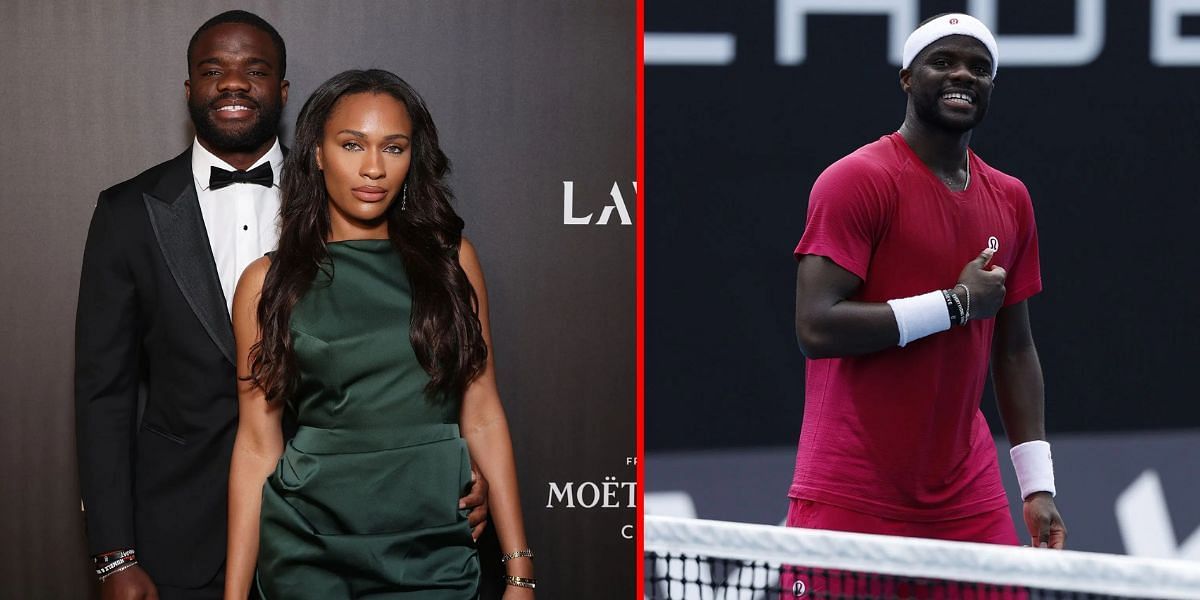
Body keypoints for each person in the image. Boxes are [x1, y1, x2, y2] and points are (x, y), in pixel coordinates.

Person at [74, 12, 487, 600]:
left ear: (284, 92)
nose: (234, 83)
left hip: (334, 530)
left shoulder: (348, 190)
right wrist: (114, 557)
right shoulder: (127, 213)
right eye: (213, 71)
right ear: (189, 89)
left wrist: (456, 472)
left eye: (256, 70)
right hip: (177, 535)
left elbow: (423, 365)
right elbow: (103, 394)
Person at [223, 69, 535, 599]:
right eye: (352, 145)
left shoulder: (452, 262)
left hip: (432, 546)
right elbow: (257, 445)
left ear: (414, 157)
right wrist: (233, 597)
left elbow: (481, 410)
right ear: (317, 154)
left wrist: (519, 570)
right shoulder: (265, 283)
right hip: (309, 549)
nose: (373, 169)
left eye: (393, 148)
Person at [789, 13, 1067, 554]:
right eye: (943, 62)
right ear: (907, 78)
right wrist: (956, 305)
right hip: (851, 488)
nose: (963, 75)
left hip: (969, 494)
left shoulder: (1011, 198)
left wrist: (1037, 486)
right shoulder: (856, 180)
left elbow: (1015, 349)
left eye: (979, 68)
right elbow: (816, 326)